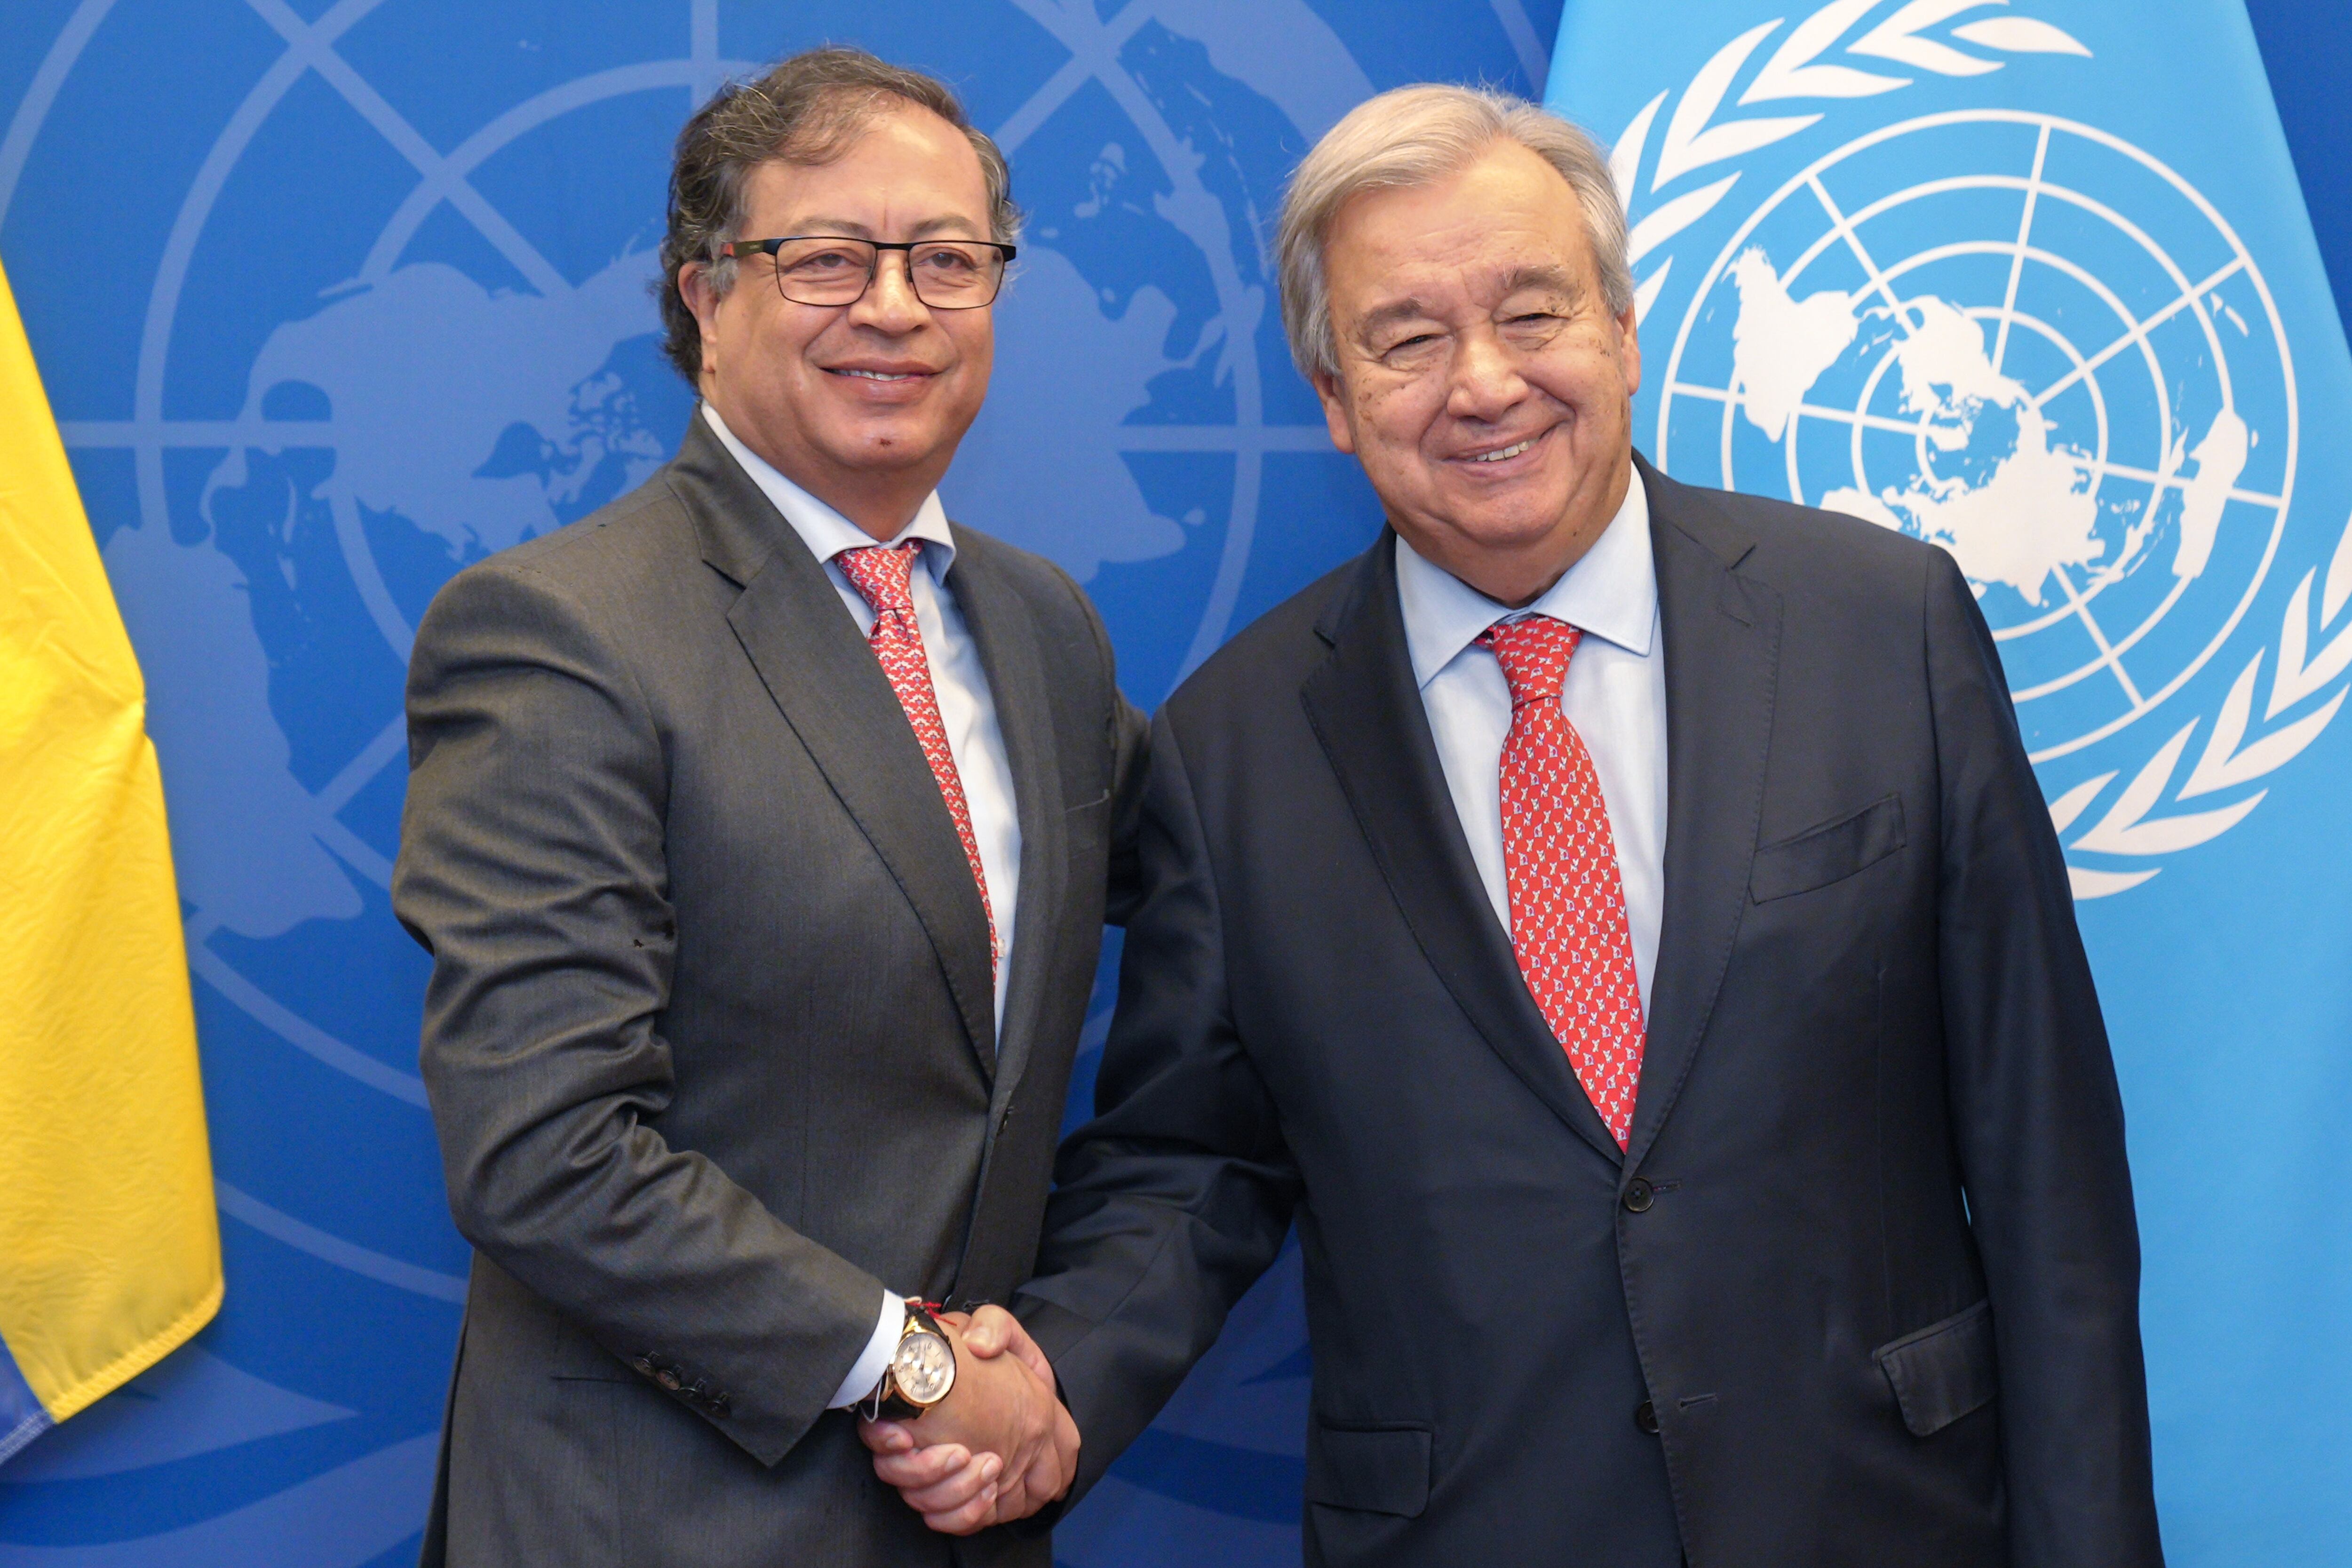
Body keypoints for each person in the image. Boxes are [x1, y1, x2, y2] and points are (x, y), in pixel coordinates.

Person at [872, 84, 2164, 1566]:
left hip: (1890, 1516)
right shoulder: (1232, 750)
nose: (1482, 384)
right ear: (1335, 402)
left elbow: (2044, 1158)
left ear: (1622, 332)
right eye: (1406, 338)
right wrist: (1047, 1386)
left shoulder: (1884, 626)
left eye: (1533, 314)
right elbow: (1194, 1166)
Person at [392, 47, 1140, 1567]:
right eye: (824, 259)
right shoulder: (561, 629)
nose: (891, 306)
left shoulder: (1044, 628)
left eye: (947, 260)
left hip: (966, 1523)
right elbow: (542, 1148)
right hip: (652, 1522)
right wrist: (919, 1367)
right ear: (702, 295)